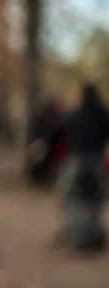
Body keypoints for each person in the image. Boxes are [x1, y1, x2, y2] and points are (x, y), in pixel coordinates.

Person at [55, 84, 109, 252]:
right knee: (95, 199)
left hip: (75, 160)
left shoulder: (73, 114)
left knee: (70, 197)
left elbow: (58, 133)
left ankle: (74, 234)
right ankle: (93, 234)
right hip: (96, 160)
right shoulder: (103, 114)